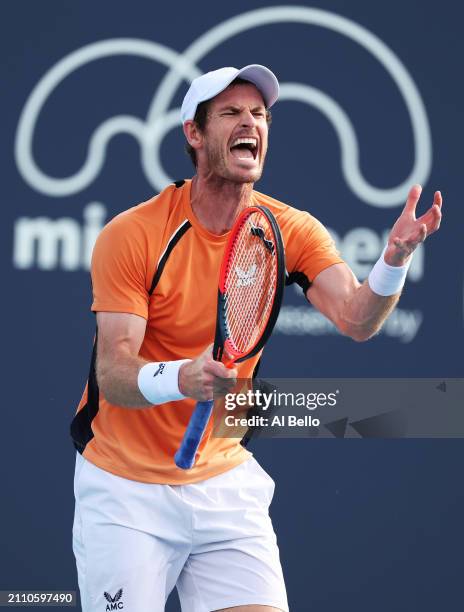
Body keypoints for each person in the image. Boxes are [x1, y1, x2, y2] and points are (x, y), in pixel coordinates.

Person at [71, 64, 442, 612]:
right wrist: (181, 377)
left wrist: (392, 263)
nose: (251, 123)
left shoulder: (289, 229)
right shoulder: (133, 234)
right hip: (125, 491)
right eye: (231, 113)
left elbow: (356, 320)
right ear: (194, 135)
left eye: (260, 114)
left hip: (224, 481)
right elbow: (115, 373)